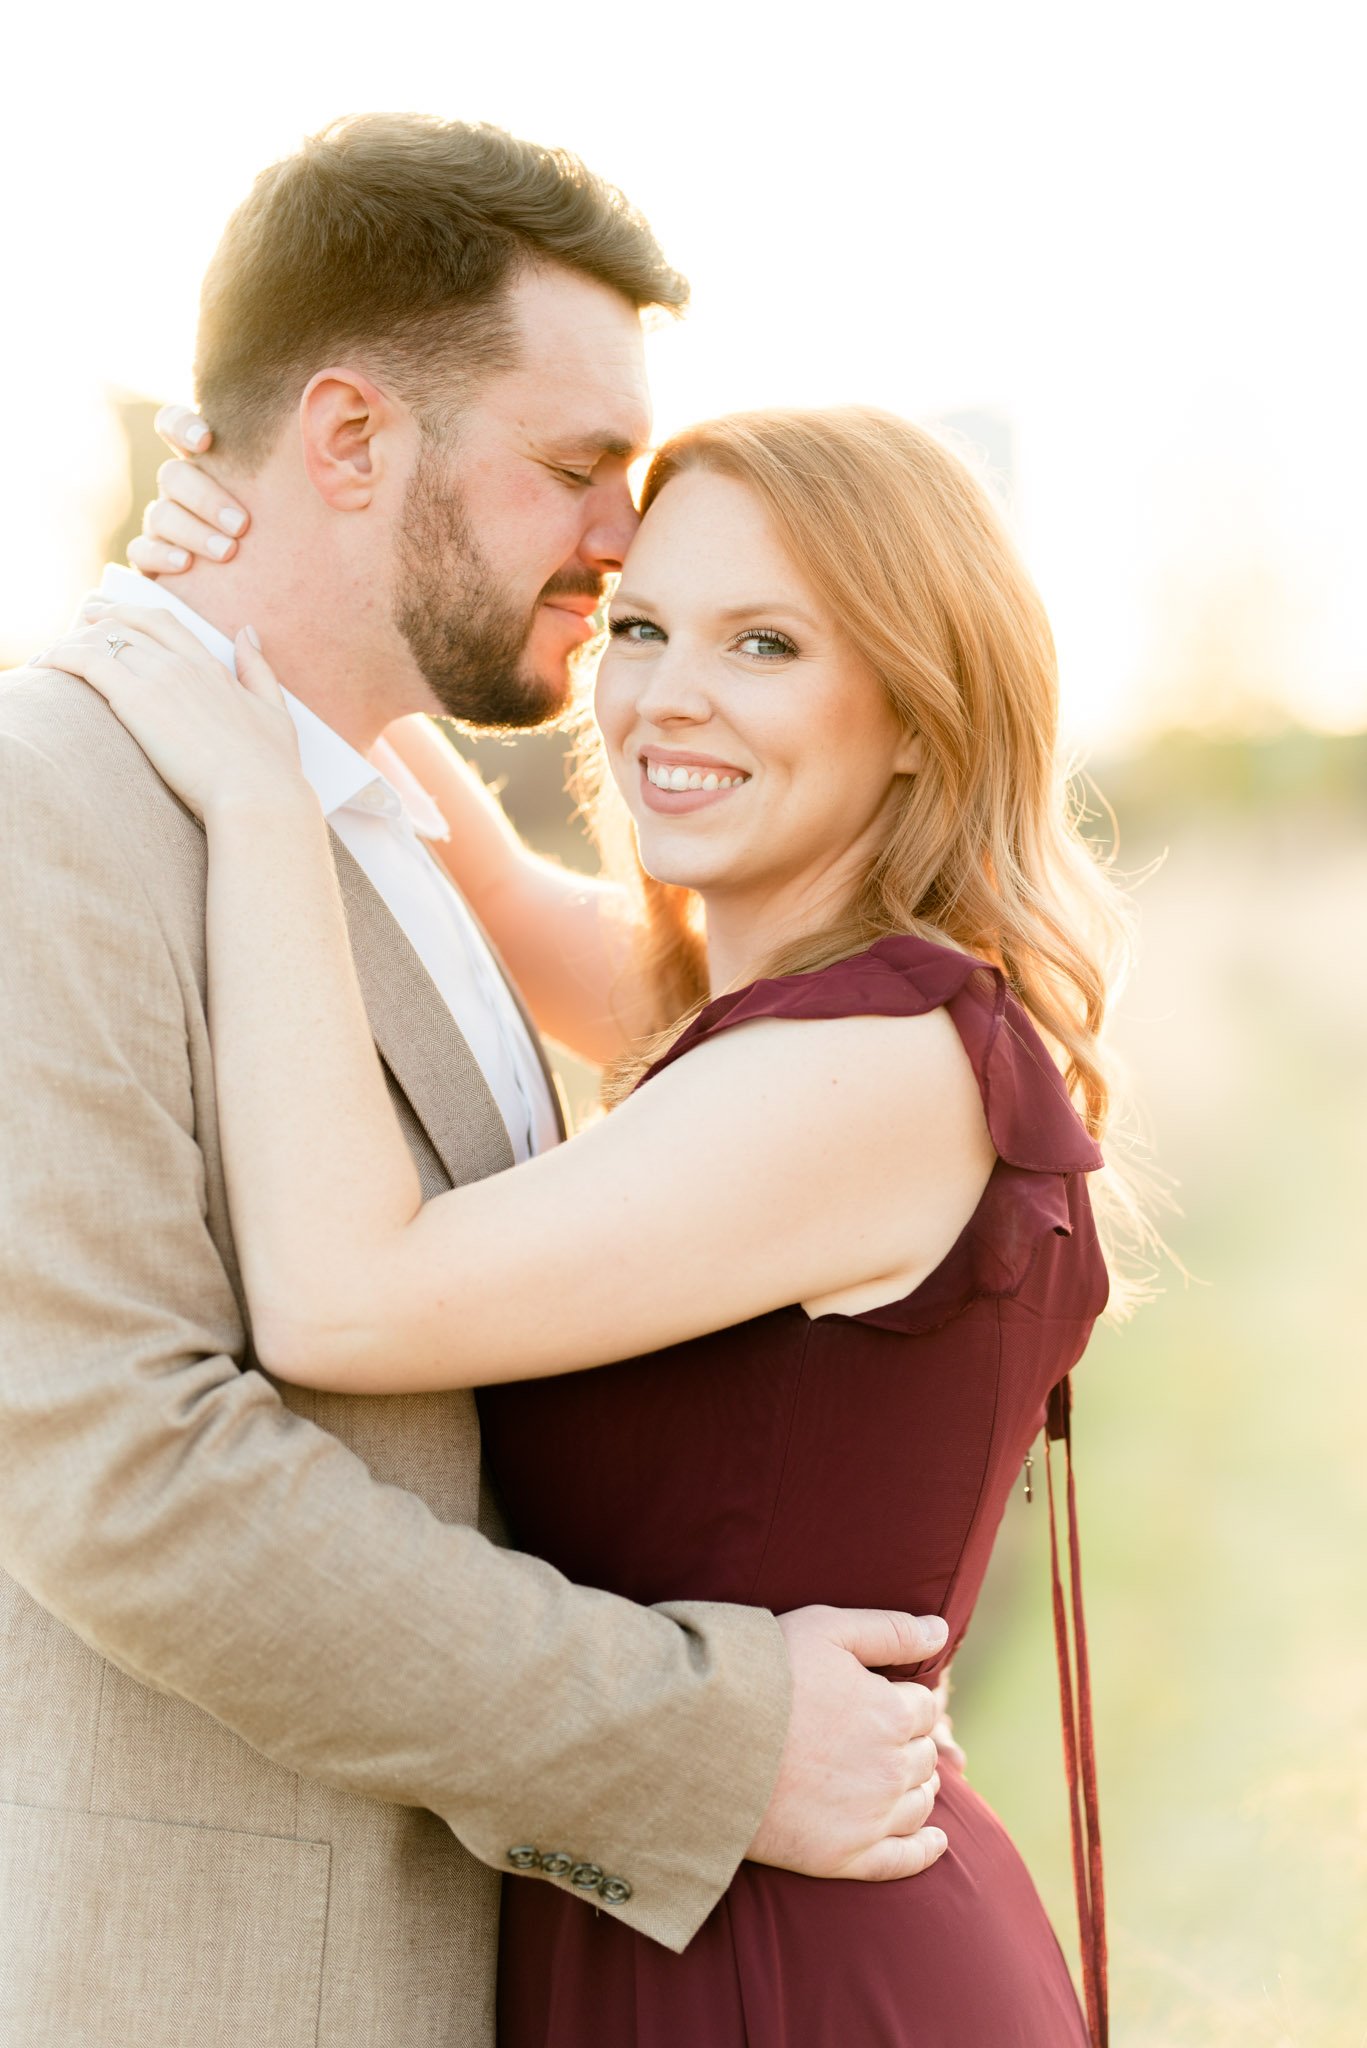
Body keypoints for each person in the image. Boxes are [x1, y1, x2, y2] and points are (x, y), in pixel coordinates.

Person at [0, 118, 950, 2048]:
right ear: (351, 439)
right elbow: (119, 1471)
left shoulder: (383, 820)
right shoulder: (52, 803)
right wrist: (703, 1744)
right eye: (578, 468)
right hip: (239, 1988)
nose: (624, 537)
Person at [46, 396, 1134, 2045]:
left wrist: (259, 807)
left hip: (792, 1966)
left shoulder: (867, 1075)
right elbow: (469, 844)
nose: (667, 694)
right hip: (685, 1902)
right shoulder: (774, 1006)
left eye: (766, 642)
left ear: (919, 713)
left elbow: (342, 1302)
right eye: (639, 624)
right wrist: (265, 565)